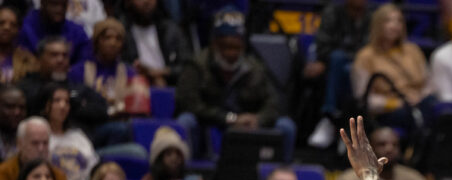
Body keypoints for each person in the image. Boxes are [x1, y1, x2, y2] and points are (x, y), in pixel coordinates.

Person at [176, 7, 296, 162]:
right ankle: (189, 172)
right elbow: (188, 104)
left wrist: (258, 119)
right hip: (210, 123)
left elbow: (273, 103)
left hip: (248, 127)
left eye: (236, 48)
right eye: (226, 47)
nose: (231, 54)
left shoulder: (255, 68)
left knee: (286, 126)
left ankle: (281, 176)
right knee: (186, 121)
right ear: (214, 45)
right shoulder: (197, 66)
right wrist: (228, 118)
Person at [350, 4, 431, 128]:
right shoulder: (366, 56)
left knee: (435, 108)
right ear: (378, 25)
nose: (395, 25)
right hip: (389, 110)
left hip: (419, 103)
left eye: (399, 20)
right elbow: (363, 99)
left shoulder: (413, 50)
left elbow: (430, 84)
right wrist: (396, 103)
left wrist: (420, 98)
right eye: (388, 21)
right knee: (413, 116)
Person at [305, 0, 371, 148]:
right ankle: (334, 121)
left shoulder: (372, 17)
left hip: (363, 68)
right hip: (333, 66)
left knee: (348, 68)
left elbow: (372, 50)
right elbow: (322, 47)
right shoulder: (332, 13)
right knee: (338, 61)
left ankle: (336, 122)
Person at [0, 116, 74, 180]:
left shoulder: (58, 176)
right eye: (35, 143)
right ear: (19, 144)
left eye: (45, 143)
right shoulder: (4, 173)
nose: (41, 148)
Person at [118, 0, 192, 88]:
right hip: (133, 87)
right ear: (128, 2)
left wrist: (162, 72)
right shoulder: (120, 32)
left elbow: (188, 66)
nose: (147, 2)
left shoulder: (171, 30)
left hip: (171, 86)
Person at [43, 83, 99, 180]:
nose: (63, 106)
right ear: (45, 105)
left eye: (67, 102)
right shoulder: (39, 136)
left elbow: (94, 169)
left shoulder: (78, 136)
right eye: (57, 100)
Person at [19, 0, 92, 65]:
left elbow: (85, 61)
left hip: (68, 77)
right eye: (54, 4)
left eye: (63, 5)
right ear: (42, 3)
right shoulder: (25, 27)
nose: (59, 9)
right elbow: (22, 59)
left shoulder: (77, 31)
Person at [0, 8, 36, 87]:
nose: (7, 27)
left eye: (13, 25)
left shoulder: (27, 59)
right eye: (1, 23)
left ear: (18, 29)